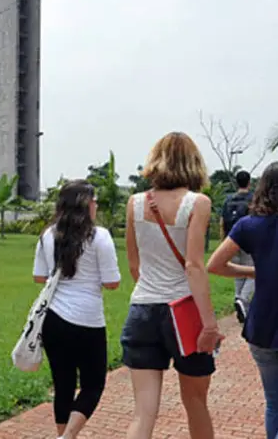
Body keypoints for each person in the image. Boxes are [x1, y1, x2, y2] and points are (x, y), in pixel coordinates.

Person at [121, 132, 224, 439]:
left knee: (143, 412)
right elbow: (194, 266)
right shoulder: (197, 203)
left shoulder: (135, 203)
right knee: (195, 402)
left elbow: (134, 266)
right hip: (184, 313)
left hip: (142, 309)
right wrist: (209, 324)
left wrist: (153, 290)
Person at [33, 179, 121, 439]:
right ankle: (68, 436)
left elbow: (39, 277)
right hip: (87, 320)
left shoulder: (48, 235)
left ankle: (62, 434)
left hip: (53, 319)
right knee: (93, 384)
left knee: (63, 385)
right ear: (85, 204)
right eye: (94, 201)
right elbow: (112, 282)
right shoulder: (99, 237)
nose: (97, 205)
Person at [207, 161, 278, 438]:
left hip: (262, 327)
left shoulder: (250, 225)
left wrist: (253, 271)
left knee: (273, 402)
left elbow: (215, 264)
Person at [220, 169, 254, 323]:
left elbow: (222, 222)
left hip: (231, 240)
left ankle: (238, 300)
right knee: (254, 272)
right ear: (249, 182)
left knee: (237, 272)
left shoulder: (228, 200)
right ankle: (243, 299)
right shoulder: (253, 199)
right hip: (248, 240)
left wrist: (223, 242)